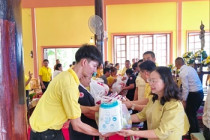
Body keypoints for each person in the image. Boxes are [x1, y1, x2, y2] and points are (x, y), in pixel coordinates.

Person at [29, 44, 102, 140]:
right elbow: (77, 125)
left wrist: (95, 109)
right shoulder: (69, 84)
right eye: (94, 66)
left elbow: (74, 107)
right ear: (84, 62)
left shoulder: (66, 75)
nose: (94, 71)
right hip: (46, 133)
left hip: (43, 129)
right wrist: (101, 133)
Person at [118, 67, 189, 140]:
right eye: (149, 80)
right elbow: (141, 115)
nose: (150, 83)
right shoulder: (154, 99)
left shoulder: (174, 105)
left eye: (154, 81)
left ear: (165, 81)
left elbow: (161, 132)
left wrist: (133, 132)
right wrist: (120, 119)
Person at [175, 57, 203, 134]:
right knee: (193, 114)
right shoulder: (191, 68)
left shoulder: (183, 72)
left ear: (176, 64)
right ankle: (196, 132)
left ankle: (193, 133)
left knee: (190, 114)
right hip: (200, 93)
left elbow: (185, 87)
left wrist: (184, 100)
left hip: (193, 94)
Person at [69, 76, 99, 140]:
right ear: (82, 77)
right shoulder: (80, 91)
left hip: (84, 126)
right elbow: (87, 113)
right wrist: (100, 118)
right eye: (89, 78)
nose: (90, 81)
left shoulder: (82, 88)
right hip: (82, 127)